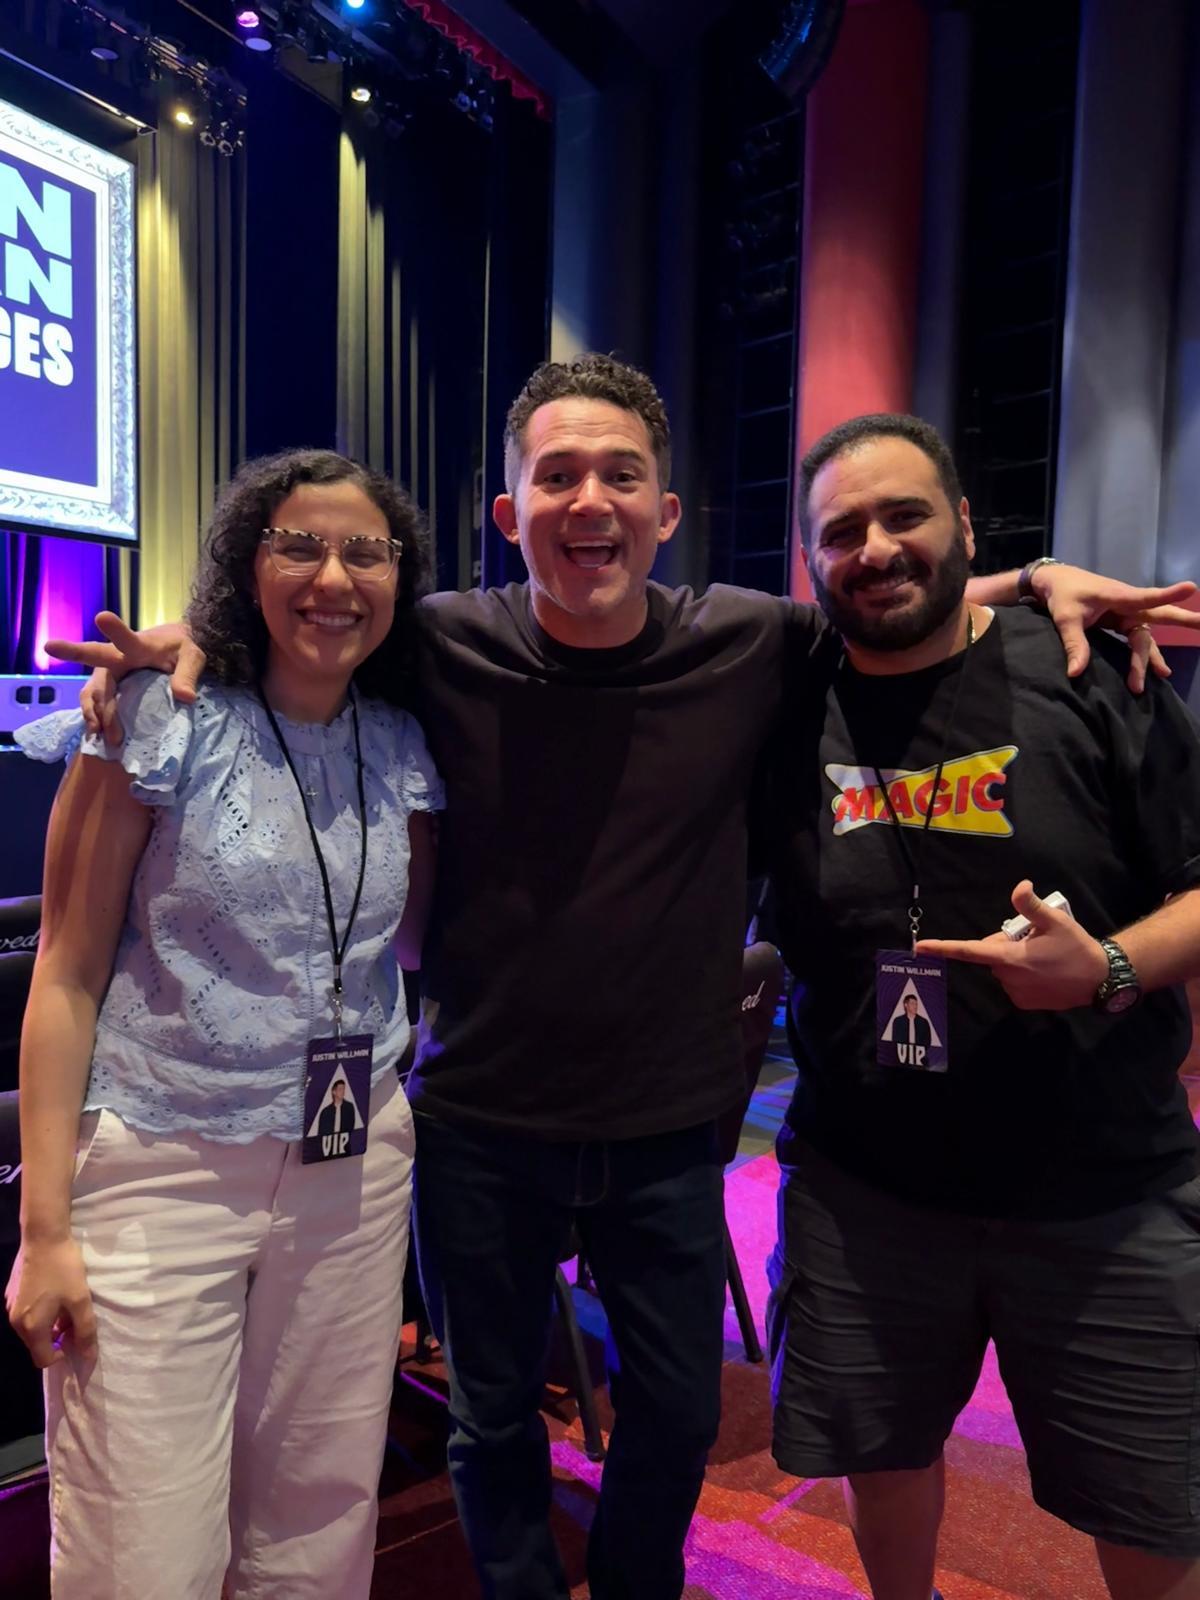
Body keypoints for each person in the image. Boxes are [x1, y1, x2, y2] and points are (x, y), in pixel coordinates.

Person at [48, 356, 1200, 1600]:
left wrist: (1030, 583)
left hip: (668, 1126)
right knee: (492, 1423)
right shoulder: (438, 646)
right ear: (510, 514)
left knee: (675, 1422)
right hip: (480, 1123)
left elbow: (899, 600)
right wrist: (199, 639)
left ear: (666, 512)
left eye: (621, 475)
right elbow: (310, 629)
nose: (588, 499)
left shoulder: (750, 640)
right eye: (556, 475)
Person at [760, 412, 1200, 1600]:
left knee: (1156, 1503)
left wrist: (1106, 965)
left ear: (964, 523)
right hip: (867, 1194)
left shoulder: (1089, 673)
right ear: (809, 562)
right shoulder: (785, 704)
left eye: (905, 515)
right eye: (841, 530)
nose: (875, 547)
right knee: (882, 1459)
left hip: (1104, 1190)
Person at [5, 449, 444, 1600]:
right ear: (247, 564)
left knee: (321, 1511)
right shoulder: (166, 712)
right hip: (163, 1161)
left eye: (365, 550)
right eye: (298, 543)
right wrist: (43, 1226)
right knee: (137, 1547)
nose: (332, 575)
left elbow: (411, 945)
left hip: (354, 1164)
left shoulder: (402, 743)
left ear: (400, 579)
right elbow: (63, 971)